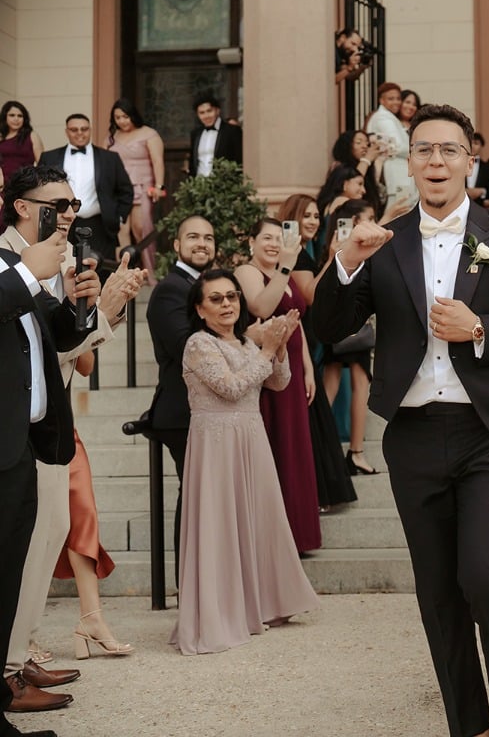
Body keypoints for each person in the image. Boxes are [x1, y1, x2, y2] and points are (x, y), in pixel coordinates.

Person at [311, 103, 489, 737]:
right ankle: (469, 725)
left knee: (487, 575)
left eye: (448, 150)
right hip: (415, 436)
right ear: (408, 162)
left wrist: (482, 328)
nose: (435, 161)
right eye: (422, 149)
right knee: (439, 591)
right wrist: (345, 261)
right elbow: (328, 327)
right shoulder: (385, 240)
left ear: (469, 162)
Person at [170, 270, 319, 655]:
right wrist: (267, 350)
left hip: (251, 440)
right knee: (219, 524)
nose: (227, 305)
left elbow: (279, 382)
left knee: (259, 519)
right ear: (200, 309)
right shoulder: (198, 345)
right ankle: (222, 612)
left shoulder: (244, 342)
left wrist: (280, 347)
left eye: (232, 297)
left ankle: (264, 603)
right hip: (216, 446)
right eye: (216, 299)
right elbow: (231, 388)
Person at [0, 164, 99, 737]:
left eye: (71, 206)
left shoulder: (32, 262)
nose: (67, 216)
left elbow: (54, 338)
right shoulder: (16, 261)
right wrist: (30, 278)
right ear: (22, 205)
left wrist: (82, 304)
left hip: (27, 438)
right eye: (55, 205)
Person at [235, 219, 322, 554]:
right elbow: (261, 308)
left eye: (278, 238)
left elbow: (296, 326)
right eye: (266, 238)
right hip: (268, 373)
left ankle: (299, 534)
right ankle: (274, 539)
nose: (273, 244)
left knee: (295, 448)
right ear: (251, 243)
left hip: (294, 368)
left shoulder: (285, 274)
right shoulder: (248, 271)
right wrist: (286, 264)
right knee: (277, 447)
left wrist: (308, 371)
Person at [272, 194, 357, 509]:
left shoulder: (306, 252)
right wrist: (334, 260)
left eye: (315, 217)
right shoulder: (293, 254)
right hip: (299, 336)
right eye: (305, 216)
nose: (312, 221)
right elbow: (307, 296)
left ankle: (317, 494)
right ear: (291, 218)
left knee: (317, 414)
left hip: (309, 338)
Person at [146, 215, 215, 583]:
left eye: (208, 237)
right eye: (193, 237)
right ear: (176, 245)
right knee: (194, 499)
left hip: (214, 411)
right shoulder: (170, 289)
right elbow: (186, 346)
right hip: (183, 412)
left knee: (211, 500)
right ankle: (188, 585)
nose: (201, 243)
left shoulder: (213, 285)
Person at [317, 200, 379, 477]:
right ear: (355, 222)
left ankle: (320, 446)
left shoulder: (336, 238)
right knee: (357, 384)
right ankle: (354, 452)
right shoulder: (346, 244)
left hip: (346, 326)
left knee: (332, 382)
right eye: (370, 218)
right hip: (348, 325)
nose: (374, 223)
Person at [39, 114, 134, 271]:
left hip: (100, 225)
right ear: (66, 131)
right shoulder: (49, 157)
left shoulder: (109, 158)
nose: (79, 133)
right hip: (61, 223)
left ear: (90, 130)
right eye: (74, 129)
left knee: (102, 271)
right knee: (61, 268)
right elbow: (40, 190)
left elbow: (126, 191)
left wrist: (119, 216)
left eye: (84, 129)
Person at [106, 98, 165, 271]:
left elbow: (158, 161)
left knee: (142, 229)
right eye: (117, 117)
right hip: (118, 189)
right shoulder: (111, 137)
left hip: (143, 187)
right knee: (121, 230)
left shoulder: (149, 133)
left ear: (133, 115)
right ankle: (124, 272)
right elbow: (104, 162)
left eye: (125, 116)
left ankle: (150, 272)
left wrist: (159, 186)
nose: (122, 121)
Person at [365, 82, 416, 218]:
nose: (396, 102)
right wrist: (416, 149)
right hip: (394, 170)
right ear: (382, 100)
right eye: (391, 99)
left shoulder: (389, 117)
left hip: (398, 170)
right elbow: (396, 146)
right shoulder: (383, 117)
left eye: (398, 98)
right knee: (397, 209)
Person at [187, 92, 243, 177]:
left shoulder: (232, 131)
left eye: (209, 111)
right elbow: (193, 162)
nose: (206, 116)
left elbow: (239, 160)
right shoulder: (195, 134)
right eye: (202, 113)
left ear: (217, 111)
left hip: (224, 186)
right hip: (199, 186)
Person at [330, 130, 384, 216]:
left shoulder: (368, 171)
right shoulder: (339, 168)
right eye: (359, 143)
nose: (365, 146)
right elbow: (354, 182)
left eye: (367, 144)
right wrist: (367, 159)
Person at [0, 101, 43, 183]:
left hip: (24, 184)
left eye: (20, 116)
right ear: (5, 117)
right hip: (2, 185)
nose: (16, 119)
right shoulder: (1, 137)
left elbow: (42, 164)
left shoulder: (32, 136)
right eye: (12, 115)